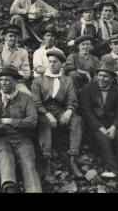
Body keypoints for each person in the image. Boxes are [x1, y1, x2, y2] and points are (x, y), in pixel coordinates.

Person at [0, 65, 42, 193]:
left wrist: (11, 121)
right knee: (5, 157)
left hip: (23, 140)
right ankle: (10, 189)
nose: (3, 83)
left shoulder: (26, 98)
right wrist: (19, 126)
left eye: (7, 80)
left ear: (15, 81)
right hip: (0, 140)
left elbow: (32, 122)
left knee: (28, 162)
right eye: (1, 80)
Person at [30, 49, 84, 178]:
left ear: (61, 64)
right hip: (43, 111)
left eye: (55, 62)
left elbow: (72, 99)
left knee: (77, 120)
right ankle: (46, 159)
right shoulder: (39, 80)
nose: (52, 64)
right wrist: (47, 114)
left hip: (60, 110)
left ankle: (72, 158)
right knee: (45, 122)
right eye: (50, 62)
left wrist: (69, 111)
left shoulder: (67, 80)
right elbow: (35, 101)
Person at [79, 63, 118, 178]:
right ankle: (114, 170)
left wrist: (114, 127)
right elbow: (86, 111)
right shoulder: (88, 88)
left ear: (112, 78)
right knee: (104, 139)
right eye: (99, 75)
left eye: (105, 76)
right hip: (95, 125)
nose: (101, 78)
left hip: (112, 124)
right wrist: (100, 127)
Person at [0, 24, 31, 105]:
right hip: (0, 81)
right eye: (10, 36)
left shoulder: (23, 52)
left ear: (18, 38)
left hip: (16, 83)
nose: (13, 39)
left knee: (29, 97)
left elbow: (26, 73)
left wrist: (14, 74)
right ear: (5, 37)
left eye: (15, 36)